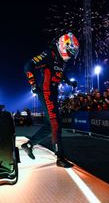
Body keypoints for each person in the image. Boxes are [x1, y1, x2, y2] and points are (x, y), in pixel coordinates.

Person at [22, 32, 79, 168]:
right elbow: (28, 65)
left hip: (53, 93)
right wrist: (33, 84)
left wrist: (69, 82)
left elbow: (60, 73)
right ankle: (60, 158)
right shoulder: (49, 54)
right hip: (46, 92)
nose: (71, 55)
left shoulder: (60, 59)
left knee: (50, 125)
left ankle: (28, 145)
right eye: (70, 51)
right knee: (56, 124)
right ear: (63, 46)